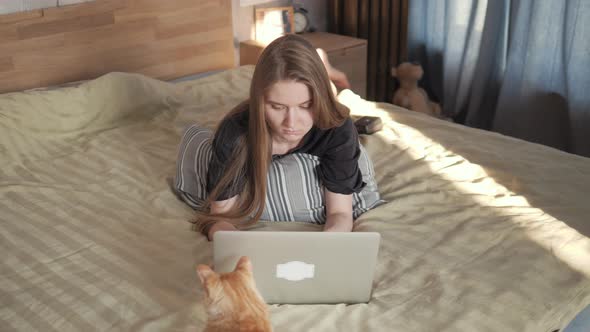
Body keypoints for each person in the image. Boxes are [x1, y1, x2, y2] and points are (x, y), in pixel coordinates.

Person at [175, 34, 381, 241]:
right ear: (259, 101)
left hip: (329, 107)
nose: (291, 123)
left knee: (335, 98)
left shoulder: (337, 128)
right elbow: (219, 217)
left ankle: (325, 70)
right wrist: (234, 244)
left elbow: (340, 213)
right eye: (277, 107)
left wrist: (326, 245)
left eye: (305, 105)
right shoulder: (234, 132)